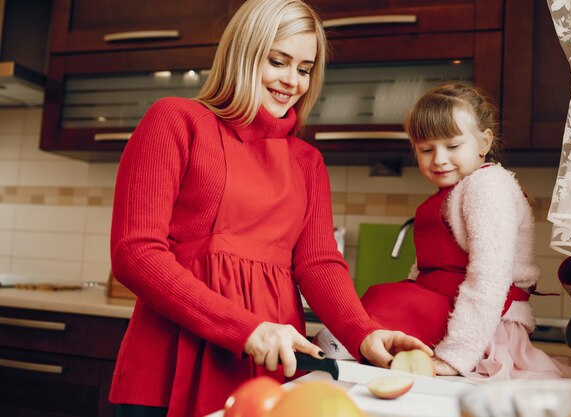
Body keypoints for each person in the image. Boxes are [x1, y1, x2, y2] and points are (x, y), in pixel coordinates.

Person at [108, 1, 431, 416]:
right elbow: (135, 253)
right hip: (167, 368)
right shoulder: (176, 120)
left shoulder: (307, 162)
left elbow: (318, 265)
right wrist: (247, 330)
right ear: (243, 54)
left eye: (304, 68)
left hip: (273, 373)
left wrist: (364, 334)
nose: (292, 81)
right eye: (278, 61)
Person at [341, 82, 571, 380]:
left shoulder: (487, 187)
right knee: (384, 301)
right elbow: (424, 272)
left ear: (484, 143)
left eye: (452, 146)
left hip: (479, 332)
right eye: (426, 149)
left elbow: (489, 278)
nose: (439, 159)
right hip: (449, 317)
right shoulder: (454, 192)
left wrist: (456, 356)